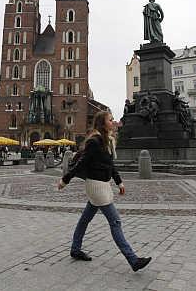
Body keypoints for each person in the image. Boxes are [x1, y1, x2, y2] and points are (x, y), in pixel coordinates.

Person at [58, 111, 152, 272]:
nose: (113, 121)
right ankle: (133, 260)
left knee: (84, 220)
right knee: (115, 222)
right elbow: (81, 163)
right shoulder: (94, 141)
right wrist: (65, 180)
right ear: (102, 123)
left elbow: (110, 165)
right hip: (96, 186)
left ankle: (75, 249)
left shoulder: (107, 141)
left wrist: (119, 182)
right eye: (110, 120)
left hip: (103, 185)